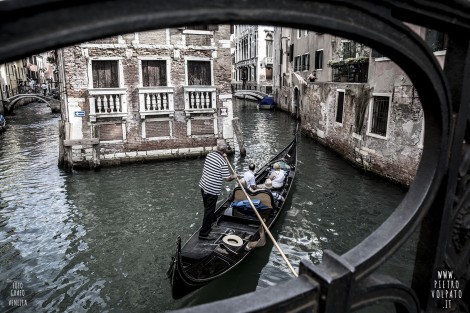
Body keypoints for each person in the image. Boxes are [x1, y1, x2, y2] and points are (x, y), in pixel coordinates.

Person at [198, 142, 237, 239]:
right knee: (209, 211)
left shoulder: (209, 155)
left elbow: (215, 163)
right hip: (212, 189)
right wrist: (234, 176)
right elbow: (227, 178)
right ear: (224, 151)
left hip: (203, 186)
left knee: (207, 208)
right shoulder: (223, 162)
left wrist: (223, 156)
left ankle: (212, 220)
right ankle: (204, 234)